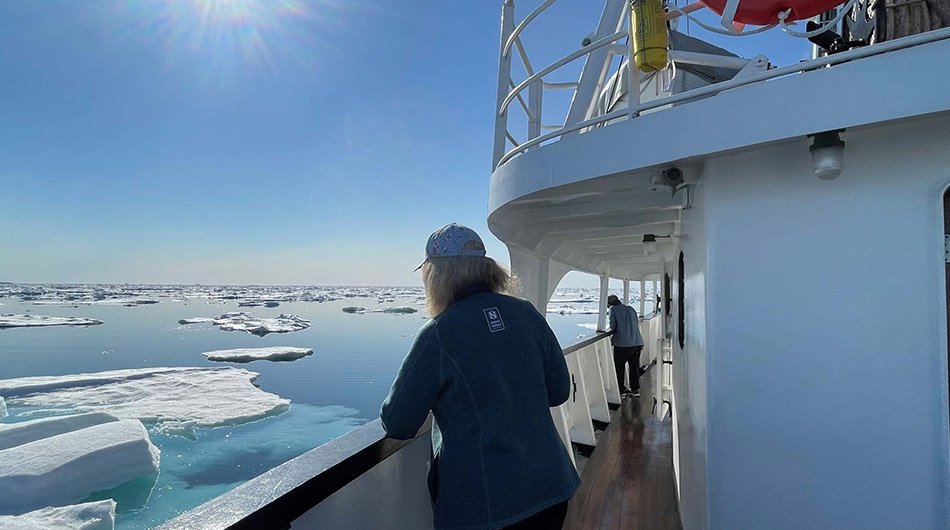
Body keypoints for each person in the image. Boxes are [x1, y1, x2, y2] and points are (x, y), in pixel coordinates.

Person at [380, 223, 580, 530]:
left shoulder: (439, 333)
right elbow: (558, 391)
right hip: (551, 486)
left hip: (486, 505)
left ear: (437, 275)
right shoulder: (527, 314)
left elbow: (398, 422)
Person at [607, 294, 644, 397]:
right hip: (637, 342)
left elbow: (613, 326)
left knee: (619, 368)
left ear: (610, 304)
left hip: (622, 344)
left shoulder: (613, 310)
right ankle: (635, 390)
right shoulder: (630, 309)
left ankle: (621, 390)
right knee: (634, 367)